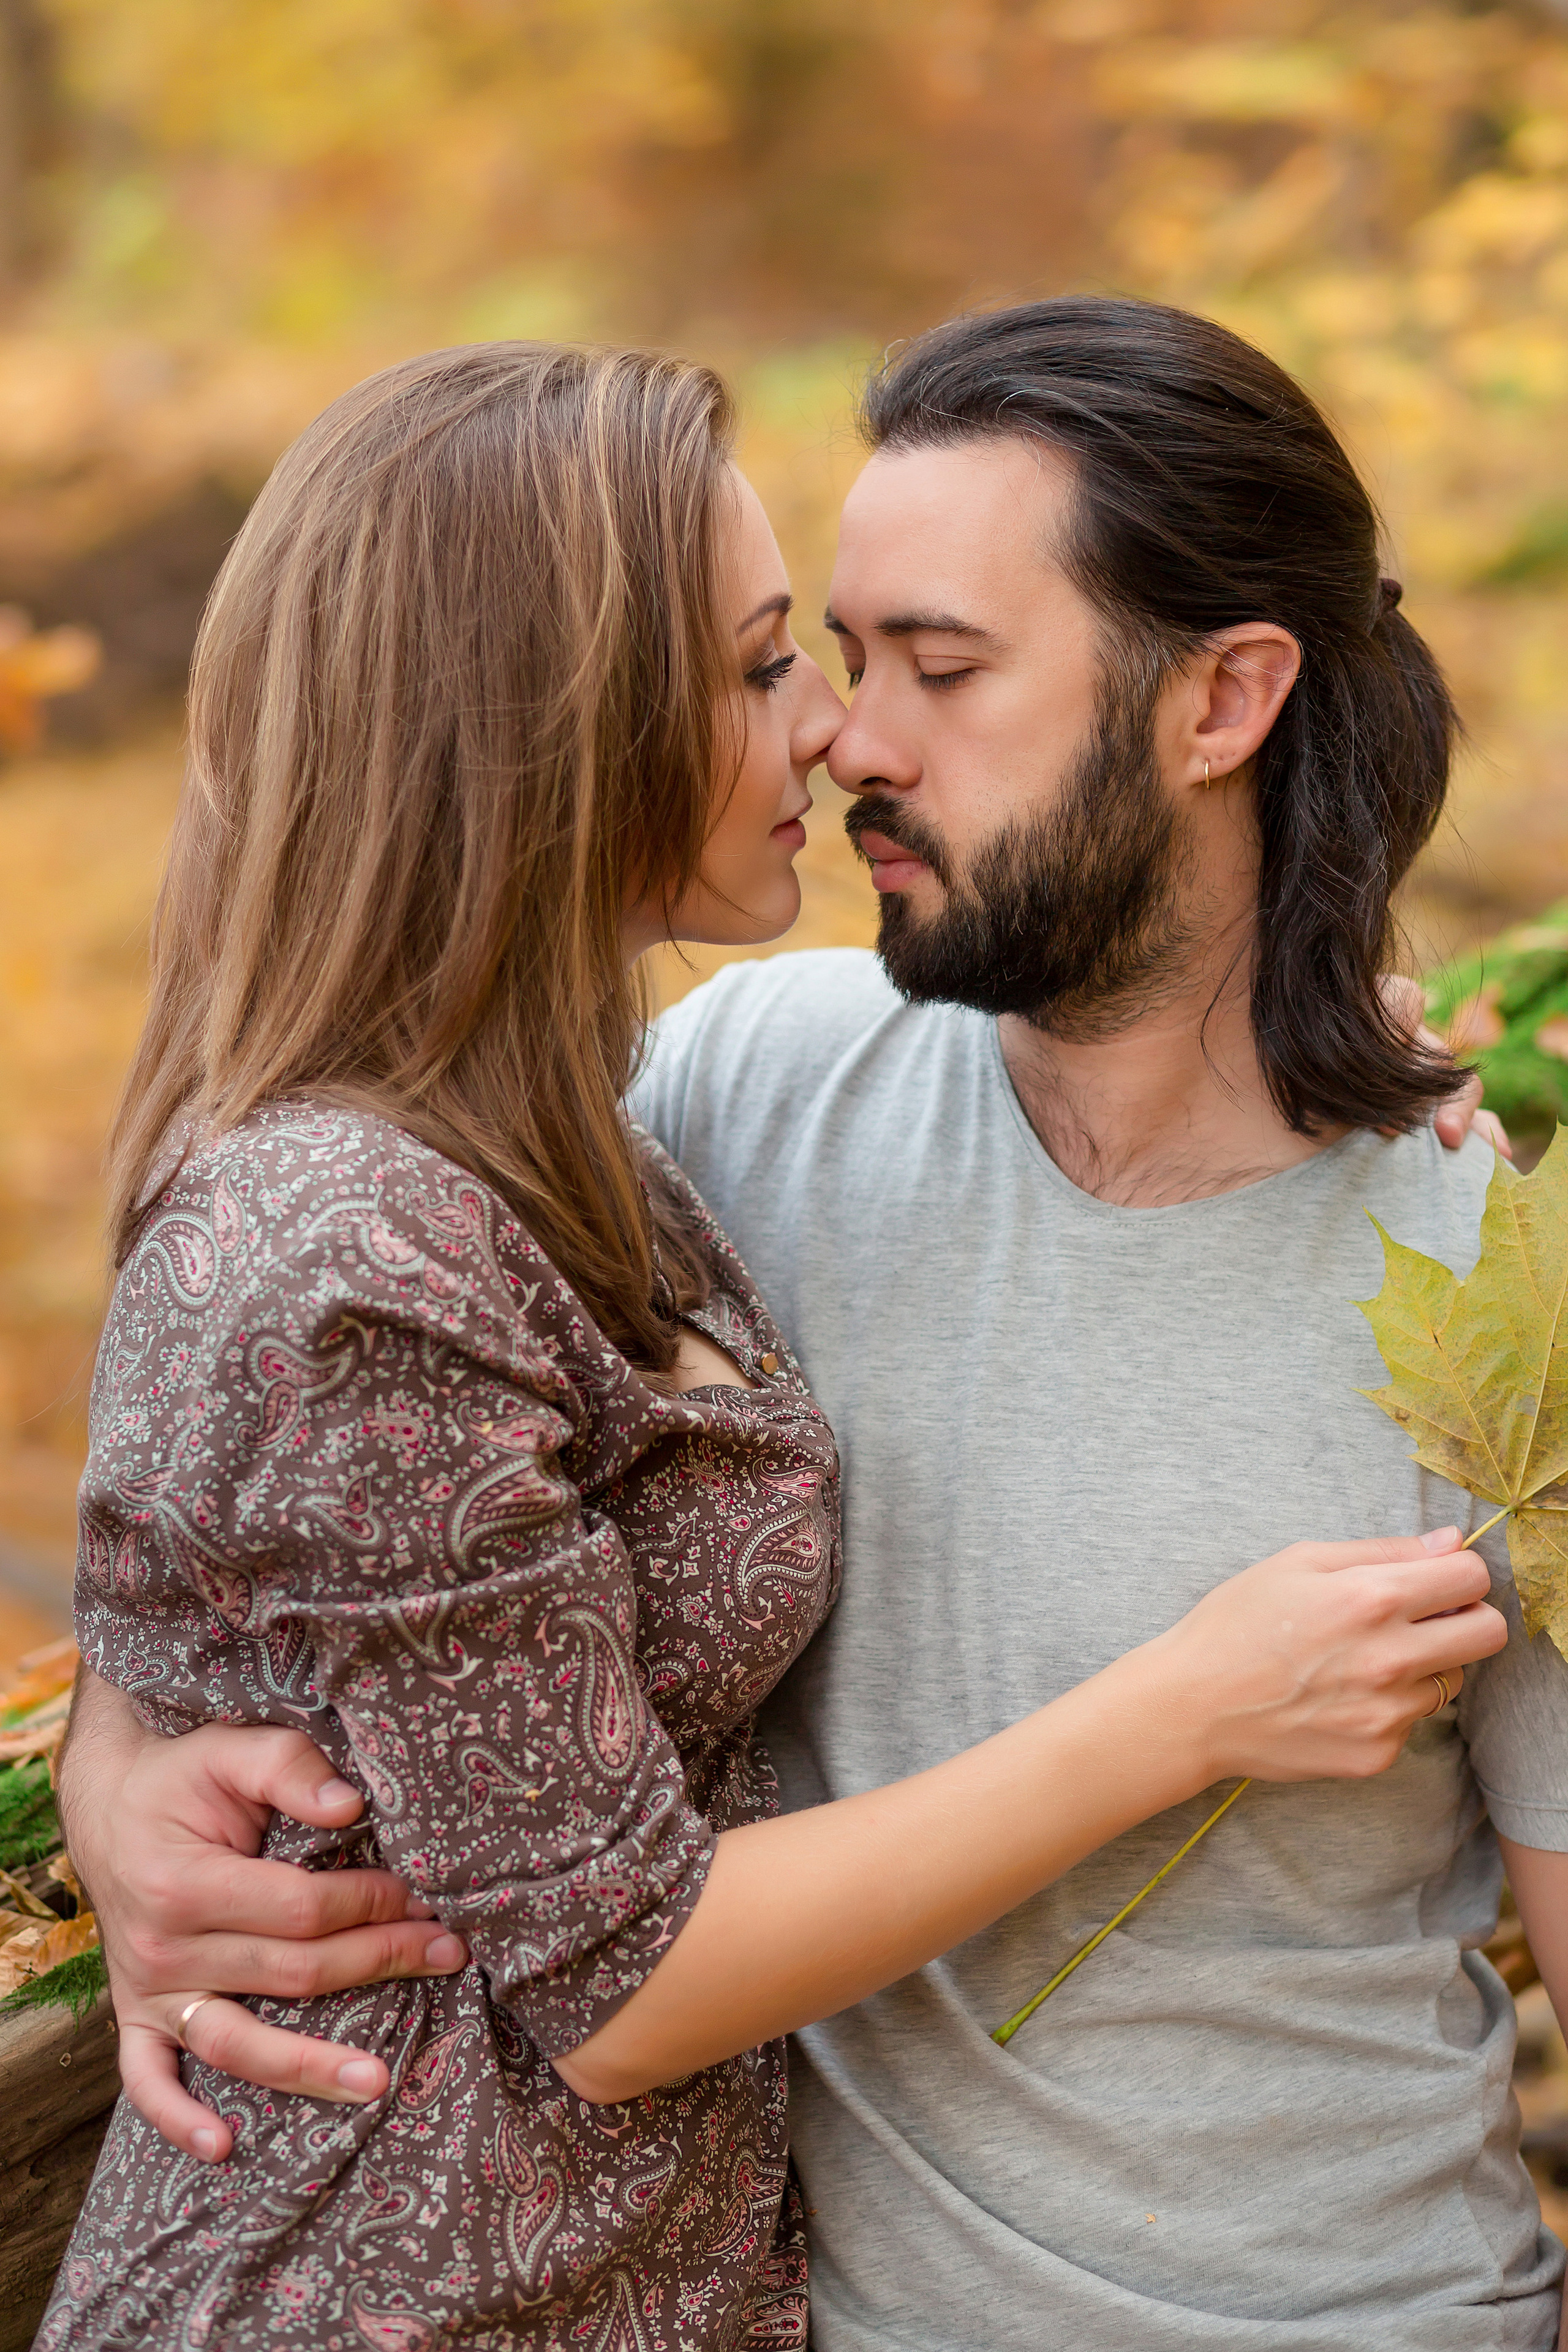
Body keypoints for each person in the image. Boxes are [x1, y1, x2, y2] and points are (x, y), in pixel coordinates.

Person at [52, 315, 1523, 2352]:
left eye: (941, 665)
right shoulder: (723, 1101)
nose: (849, 737)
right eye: (803, 657)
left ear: (1227, 701)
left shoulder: (1485, 1274)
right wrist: (133, 1769)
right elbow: (290, 1451)